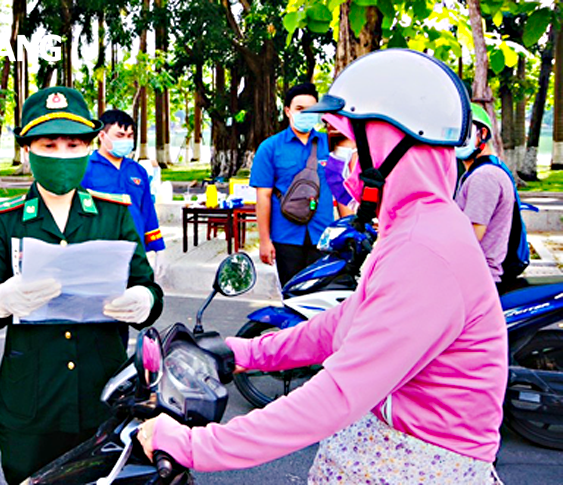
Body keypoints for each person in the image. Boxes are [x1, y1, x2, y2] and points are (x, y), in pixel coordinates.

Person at [137, 49, 507, 484]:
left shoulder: (425, 249)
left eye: (347, 142)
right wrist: (245, 353)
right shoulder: (414, 229)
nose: (340, 159)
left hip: (419, 466)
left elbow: (338, 394)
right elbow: (341, 325)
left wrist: (192, 445)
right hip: (389, 449)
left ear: (392, 144)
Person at [0, 87, 163, 484]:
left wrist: (142, 300)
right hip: (32, 405)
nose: (60, 154)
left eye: (72, 144)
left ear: (89, 147)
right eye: (48, 143)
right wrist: (1, 298)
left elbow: (149, 289)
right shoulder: (3, 221)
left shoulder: (114, 214)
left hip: (102, 398)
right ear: (28, 150)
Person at [250, 82, 342, 286]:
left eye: (312, 109)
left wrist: (348, 230)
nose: (306, 114)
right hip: (286, 238)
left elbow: (340, 188)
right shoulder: (270, 148)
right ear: (288, 111)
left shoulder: (330, 144)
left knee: (322, 299)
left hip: (323, 236)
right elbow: (263, 197)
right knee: (292, 297)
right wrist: (264, 241)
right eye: (300, 109)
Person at [81, 109, 167, 279]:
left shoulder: (138, 171)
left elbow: (147, 212)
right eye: (120, 136)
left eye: (130, 136)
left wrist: (159, 249)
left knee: (137, 299)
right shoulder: (86, 169)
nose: (126, 141)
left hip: (135, 251)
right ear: (102, 136)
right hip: (99, 254)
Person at [454, 103, 515, 287]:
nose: (457, 139)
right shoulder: (477, 173)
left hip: (476, 280)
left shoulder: (485, 177)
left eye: (465, 132)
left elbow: (470, 237)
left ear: (483, 134)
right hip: (471, 275)